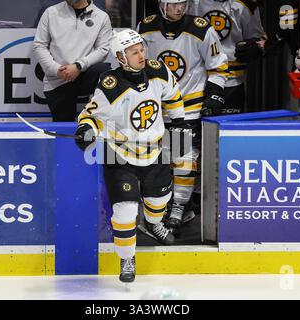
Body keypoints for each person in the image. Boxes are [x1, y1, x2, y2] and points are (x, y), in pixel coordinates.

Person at [74, 29, 186, 283]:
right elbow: (91, 116)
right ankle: (126, 258)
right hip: (120, 155)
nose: (141, 55)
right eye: (133, 52)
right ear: (120, 57)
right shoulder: (110, 84)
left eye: (141, 49)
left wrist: (179, 120)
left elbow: (173, 94)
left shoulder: (158, 70)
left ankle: (152, 223)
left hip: (155, 151)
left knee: (160, 201)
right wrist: (85, 130)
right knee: (125, 212)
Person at [137, 0, 228, 237]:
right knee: (157, 160)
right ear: (161, 5)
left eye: (183, 4)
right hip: (156, 109)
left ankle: (179, 206)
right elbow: (138, 67)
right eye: (174, 4)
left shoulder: (201, 29)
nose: (180, 8)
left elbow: (218, 66)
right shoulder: (145, 28)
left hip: (188, 108)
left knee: (184, 158)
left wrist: (214, 95)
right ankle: (160, 207)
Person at [33, 0, 113, 122]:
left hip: (83, 74)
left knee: (104, 71)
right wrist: (57, 70)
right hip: (58, 79)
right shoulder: (50, 12)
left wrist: (79, 66)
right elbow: (39, 45)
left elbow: (103, 49)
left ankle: (98, 121)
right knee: (63, 131)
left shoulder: (101, 17)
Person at [188, 0, 266, 114]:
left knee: (228, 129)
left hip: (231, 81)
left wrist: (256, 47)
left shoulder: (245, 5)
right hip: (195, 80)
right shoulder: (191, 3)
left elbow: (258, 38)